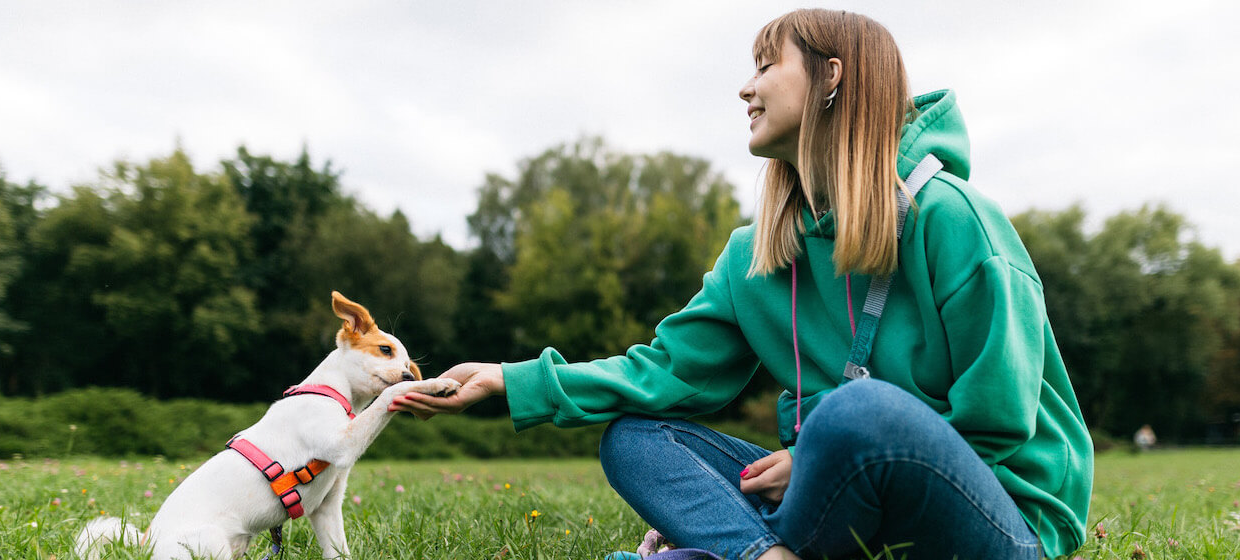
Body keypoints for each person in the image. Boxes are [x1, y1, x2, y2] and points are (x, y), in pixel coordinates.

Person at [392, 8, 1092, 560]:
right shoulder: (756, 254)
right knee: (635, 438)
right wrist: (509, 382)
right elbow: (665, 373)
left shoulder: (955, 220)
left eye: (765, 65)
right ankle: (764, 556)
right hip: (842, 500)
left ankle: (724, 545)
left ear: (831, 77)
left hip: (998, 523)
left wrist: (823, 455)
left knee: (857, 413)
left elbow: (997, 423)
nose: (745, 87)